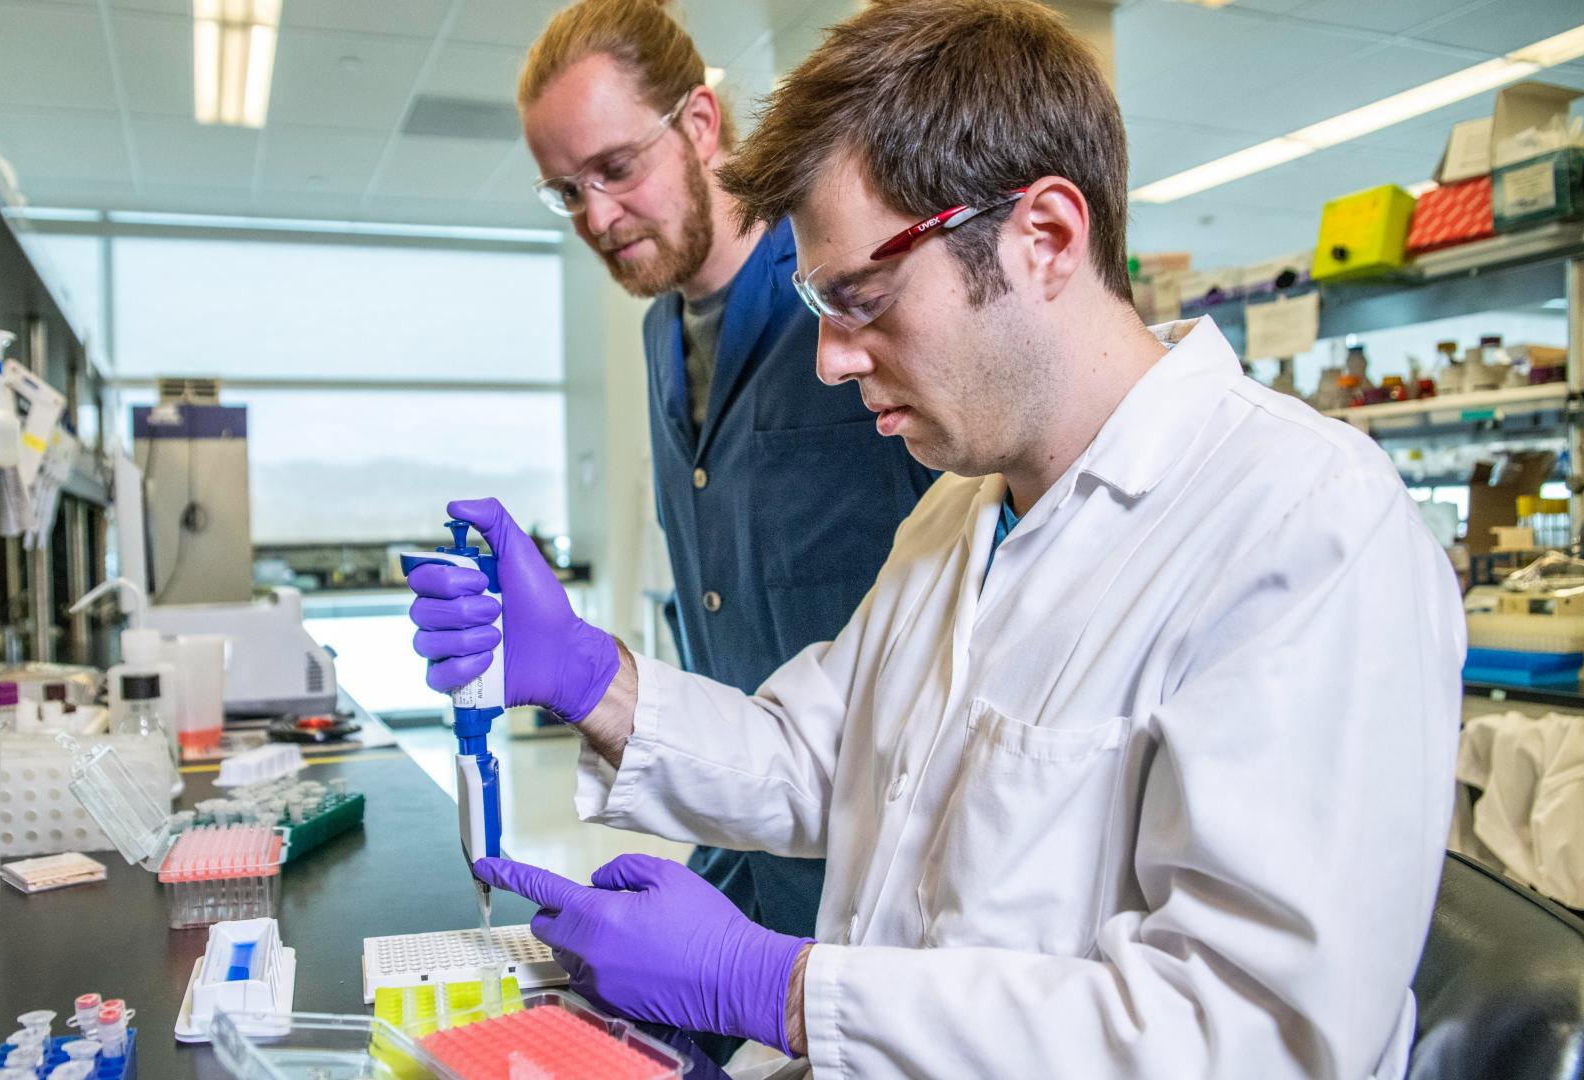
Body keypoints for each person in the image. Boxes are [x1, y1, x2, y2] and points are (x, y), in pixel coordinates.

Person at [411, 0, 1463, 1075]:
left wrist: (777, 988)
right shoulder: (962, 510)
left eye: (862, 296)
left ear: (1044, 238)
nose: (828, 360)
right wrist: (591, 679)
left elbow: (1255, 1037)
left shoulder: (1305, 526)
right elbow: (818, 758)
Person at [514, 0, 935, 994]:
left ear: (701, 124)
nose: (598, 218)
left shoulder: (848, 300)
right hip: (758, 839)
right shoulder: (664, 332)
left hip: (899, 889)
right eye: (566, 192)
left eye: (616, 169)